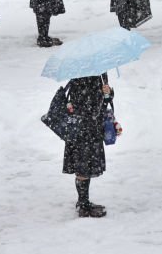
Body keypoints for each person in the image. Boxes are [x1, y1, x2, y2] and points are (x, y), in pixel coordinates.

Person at [63, 74, 114, 217]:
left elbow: (102, 101)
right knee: (83, 167)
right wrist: (101, 95)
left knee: (85, 166)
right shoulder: (82, 76)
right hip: (84, 130)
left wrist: (108, 93)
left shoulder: (96, 72)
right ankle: (84, 206)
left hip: (88, 129)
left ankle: (83, 201)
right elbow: (87, 106)